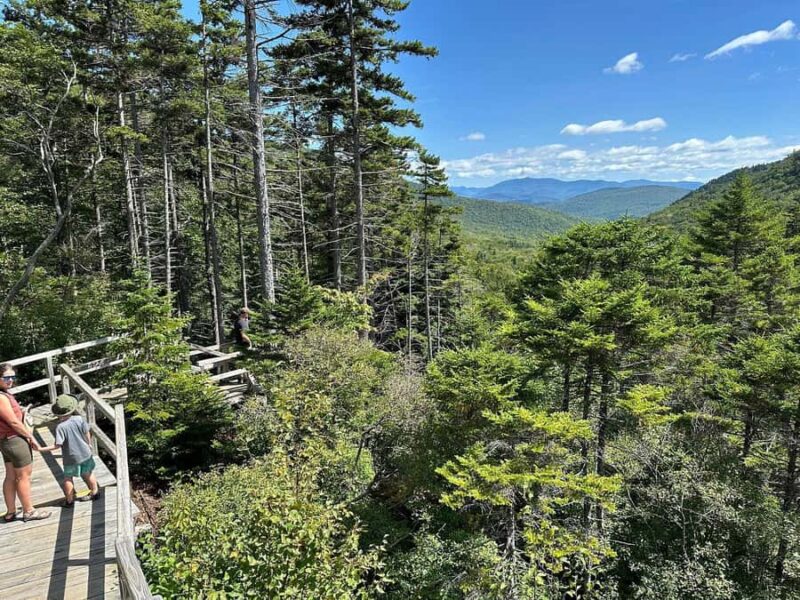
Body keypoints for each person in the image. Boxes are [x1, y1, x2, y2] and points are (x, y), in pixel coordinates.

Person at [0, 363, 51, 522]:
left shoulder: (4, 394)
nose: (10, 380)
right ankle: (29, 511)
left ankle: (10, 512)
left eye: (12, 377)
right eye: (6, 377)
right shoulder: (1, 397)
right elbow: (14, 423)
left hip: (6, 441)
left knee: (10, 476)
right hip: (15, 440)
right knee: (23, 477)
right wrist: (31, 437)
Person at [38, 394, 100, 507]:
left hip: (71, 458)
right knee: (88, 473)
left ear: (58, 413)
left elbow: (57, 445)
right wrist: (89, 444)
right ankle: (95, 492)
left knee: (68, 478)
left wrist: (41, 449)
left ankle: (69, 501)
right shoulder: (79, 419)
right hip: (85, 453)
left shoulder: (60, 427)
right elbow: (87, 432)